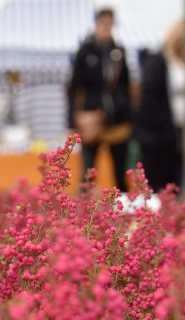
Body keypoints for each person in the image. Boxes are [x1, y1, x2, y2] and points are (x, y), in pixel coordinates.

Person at [68, 7, 132, 192]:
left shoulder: (118, 51)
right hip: (92, 117)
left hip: (117, 118)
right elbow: (74, 88)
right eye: (103, 23)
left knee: (120, 170)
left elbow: (125, 85)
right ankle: (82, 211)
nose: (106, 27)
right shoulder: (85, 52)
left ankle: (123, 208)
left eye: (109, 24)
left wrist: (126, 110)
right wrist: (72, 119)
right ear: (96, 24)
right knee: (88, 171)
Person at [137, 19, 185, 193]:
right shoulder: (158, 61)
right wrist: (162, 126)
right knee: (159, 183)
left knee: (175, 183)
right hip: (161, 136)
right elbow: (149, 98)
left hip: (183, 133)